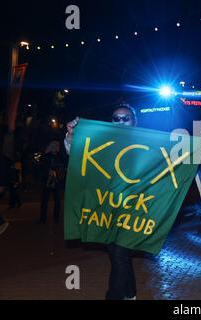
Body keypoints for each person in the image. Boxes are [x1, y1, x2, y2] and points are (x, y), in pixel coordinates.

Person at [65, 104, 140, 300]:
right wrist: (73, 136)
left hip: (135, 212)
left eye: (126, 118)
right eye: (116, 118)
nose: (121, 121)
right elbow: (79, 155)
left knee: (120, 255)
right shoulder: (103, 141)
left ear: (135, 121)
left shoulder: (148, 143)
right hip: (107, 211)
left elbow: (175, 159)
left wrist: (195, 147)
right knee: (119, 256)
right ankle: (130, 294)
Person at [37, 141, 65, 224]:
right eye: (53, 146)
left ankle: (55, 218)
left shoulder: (60, 156)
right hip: (47, 181)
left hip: (56, 181)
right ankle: (43, 218)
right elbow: (41, 167)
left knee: (57, 200)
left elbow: (62, 167)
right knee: (45, 200)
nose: (55, 147)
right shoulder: (46, 156)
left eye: (56, 146)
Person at [0, 153, 10, 236]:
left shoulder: (1, 159)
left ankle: (1, 222)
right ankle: (1, 222)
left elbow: (3, 173)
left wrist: (1, 186)